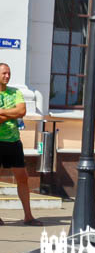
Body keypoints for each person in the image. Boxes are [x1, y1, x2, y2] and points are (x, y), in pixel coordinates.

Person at [0, 64, 41, 226]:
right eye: (4, 73)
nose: (7, 76)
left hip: (13, 141)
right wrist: (11, 113)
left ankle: (28, 216)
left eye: (9, 73)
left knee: (22, 178)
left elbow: (21, 111)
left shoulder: (15, 92)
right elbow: (15, 112)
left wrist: (2, 113)